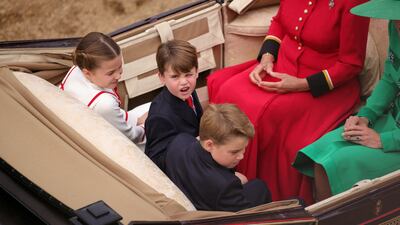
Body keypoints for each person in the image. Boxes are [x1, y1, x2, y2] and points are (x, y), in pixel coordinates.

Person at [207, 0, 370, 204]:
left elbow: (351, 64)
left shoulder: (353, 2)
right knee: (224, 87)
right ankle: (219, 174)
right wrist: (267, 58)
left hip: (324, 86)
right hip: (281, 66)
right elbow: (279, 22)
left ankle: (251, 195)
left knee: (265, 113)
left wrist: (301, 84)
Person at [293, 0, 400, 201]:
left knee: (334, 164)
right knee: (320, 151)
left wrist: (382, 140)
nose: (396, 24)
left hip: (395, 141)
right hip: (391, 120)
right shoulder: (396, 26)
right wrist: (366, 115)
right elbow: (390, 79)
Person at [165, 104, 271, 211]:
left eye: (244, 148)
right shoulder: (225, 187)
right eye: (234, 152)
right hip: (213, 210)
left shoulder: (179, 141)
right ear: (209, 145)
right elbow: (245, 215)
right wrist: (232, 178)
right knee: (260, 186)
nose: (241, 156)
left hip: (193, 192)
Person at [60, 32, 147, 144]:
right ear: (87, 73)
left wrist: (137, 120)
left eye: (120, 66)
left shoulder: (75, 70)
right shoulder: (105, 104)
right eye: (110, 73)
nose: (118, 76)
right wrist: (146, 125)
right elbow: (132, 137)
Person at [145, 40, 203, 171]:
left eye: (188, 74)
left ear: (197, 72)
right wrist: (196, 145)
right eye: (175, 76)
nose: (184, 82)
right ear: (161, 77)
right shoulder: (160, 117)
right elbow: (157, 160)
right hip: (183, 169)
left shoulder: (188, 91)